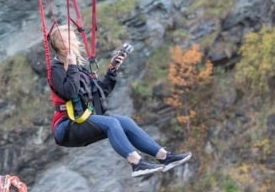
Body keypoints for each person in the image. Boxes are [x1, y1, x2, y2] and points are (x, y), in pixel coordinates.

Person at [48, 24, 191, 177]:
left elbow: (100, 92)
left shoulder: (77, 68)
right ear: (63, 46)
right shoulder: (57, 69)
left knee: (125, 121)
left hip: (81, 119)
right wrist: (72, 67)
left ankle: (164, 157)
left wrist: (112, 70)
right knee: (112, 123)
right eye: (71, 39)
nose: (76, 41)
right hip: (67, 126)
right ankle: (136, 163)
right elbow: (71, 92)